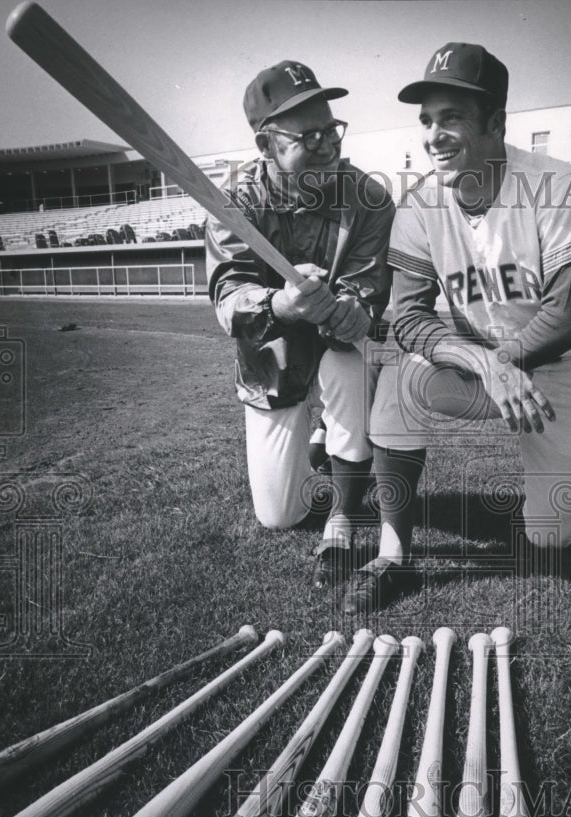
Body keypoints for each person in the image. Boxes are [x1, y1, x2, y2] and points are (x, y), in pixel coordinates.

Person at [342, 42, 571, 614]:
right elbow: (409, 316)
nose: (433, 135)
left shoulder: (558, 184)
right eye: (426, 120)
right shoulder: (420, 203)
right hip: (480, 367)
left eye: (452, 118)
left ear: (495, 122)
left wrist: (503, 363)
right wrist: (487, 365)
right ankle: (393, 555)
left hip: (558, 372)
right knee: (397, 377)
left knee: (550, 538)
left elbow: (566, 318)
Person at [205, 60, 395, 594]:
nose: (326, 144)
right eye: (306, 136)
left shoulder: (369, 197)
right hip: (273, 361)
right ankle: (319, 439)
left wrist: (351, 307)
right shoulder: (233, 201)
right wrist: (284, 305)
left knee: (348, 361)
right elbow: (229, 300)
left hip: (341, 345)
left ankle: (342, 518)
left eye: (330, 129)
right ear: (266, 146)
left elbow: (367, 289)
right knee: (278, 516)